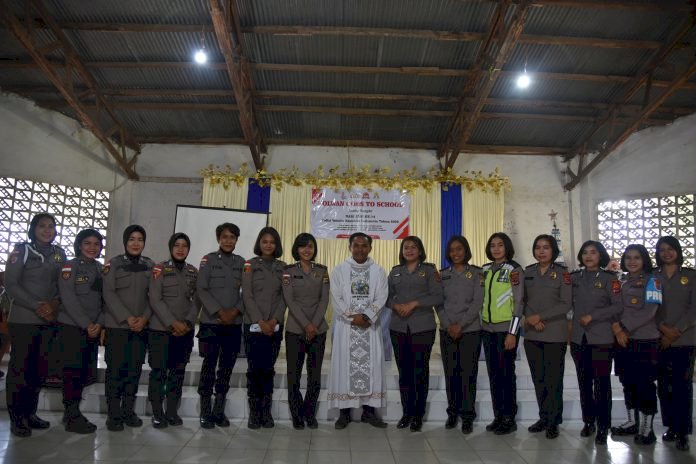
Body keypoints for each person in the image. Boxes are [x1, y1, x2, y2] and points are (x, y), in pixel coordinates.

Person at [4, 213, 66, 437]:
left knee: (38, 370)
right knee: (20, 369)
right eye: (42, 226)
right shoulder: (21, 251)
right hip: (23, 319)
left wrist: (53, 305)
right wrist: (36, 305)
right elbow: (11, 284)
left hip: (48, 320)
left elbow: (63, 285)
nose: (47, 230)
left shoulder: (59, 254)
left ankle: (30, 413)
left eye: (51, 226)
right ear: (33, 229)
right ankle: (16, 417)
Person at [328, 232, 388, 430]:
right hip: (347, 328)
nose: (360, 249)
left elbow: (382, 296)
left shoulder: (378, 271)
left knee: (372, 368)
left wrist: (367, 316)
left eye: (364, 246)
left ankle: (369, 412)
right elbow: (336, 298)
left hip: (370, 329)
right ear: (349, 247)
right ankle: (344, 413)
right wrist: (353, 317)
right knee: (345, 367)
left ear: (370, 248)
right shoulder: (339, 270)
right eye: (356, 245)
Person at [387, 235, 443, 432]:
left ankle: (418, 415)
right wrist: (396, 305)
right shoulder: (395, 272)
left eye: (413, 247)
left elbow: (438, 295)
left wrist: (415, 303)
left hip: (422, 327)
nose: (409, 250)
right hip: (398, 327)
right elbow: (386, 297)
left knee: (420, 371)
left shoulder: (429, 270)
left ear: (420, 251)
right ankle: (407, 412)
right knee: (404, 372)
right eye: (406, 247)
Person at [570, 240, 622, 445]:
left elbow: (617, 306)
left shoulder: (610, 279)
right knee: (584, 383)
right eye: (585, 253)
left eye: (593, 252)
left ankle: (603, 425)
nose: (588, 256)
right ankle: (588, 421)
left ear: (600, 255)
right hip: (578, 338)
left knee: (601, 383)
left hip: (601, 337)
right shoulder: (573, 277)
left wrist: (594, 316)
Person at [102, 224, 154, 431]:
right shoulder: (112, 265)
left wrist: (144, 319)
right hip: (117, 326)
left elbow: (154, 296)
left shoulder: (151, 266)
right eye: (131, 239)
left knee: (134, 370)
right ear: (125, 242)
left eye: (140, 239)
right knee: (115, 371)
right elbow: (108, 294)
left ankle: (128, 411)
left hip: (141, 328)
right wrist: (127, 318)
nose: (135, 243)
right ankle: (113, 414)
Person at [611, 244, 662, 445]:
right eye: (628, 257)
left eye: (637, 258)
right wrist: (617, 329)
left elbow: (650, 311)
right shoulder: (619, 281)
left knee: (645, 384)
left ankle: (647, 428)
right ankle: (632, 422)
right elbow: (613, 307)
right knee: (627, 381)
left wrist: (622, 327)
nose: (632, 262)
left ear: (644, 260)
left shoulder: (653, 281)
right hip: (622, 341)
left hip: (644, 340)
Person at [196, 223, 245, 429]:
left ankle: (219, 410)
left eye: (232, 237)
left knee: (226, 368)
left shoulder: (242, 263)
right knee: (208, 367)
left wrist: (234, 312)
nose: (228, 240)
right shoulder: (207, 260)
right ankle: (205, 410)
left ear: (236, 240)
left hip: (233, 324)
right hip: (211, 323)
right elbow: (201, 289)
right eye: (224, 237)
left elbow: (248, 293)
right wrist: (219, 311)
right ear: (218, 239)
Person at [523, 235, 572, 439]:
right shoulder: (527, 272)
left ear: (553, 251)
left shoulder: (563, 274)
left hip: (554, 333)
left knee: (553, 379)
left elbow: (565, 303)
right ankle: (543, 417)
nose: (541, 251)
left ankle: (554, 420)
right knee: (539, 378)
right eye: (538, 247)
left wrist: (539, 317)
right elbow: (520, 299)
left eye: (546, 247)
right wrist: (530, 318)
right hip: (532, 333)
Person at [148, 233, 198, 428]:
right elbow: (155, 299)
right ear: (170, 247)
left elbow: (197, 300)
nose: (180, 249)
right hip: (161, 330)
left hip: (184, 331)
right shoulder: (159, 269)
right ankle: (157, 412)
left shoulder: (193, 271)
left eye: (185, 246)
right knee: (158, 372)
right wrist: (172, 323)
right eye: (177, 245)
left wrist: (186, 322)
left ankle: (171, 411)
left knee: (178, 372)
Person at [57, 229, 104, 434]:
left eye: (96, 244)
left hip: (92, 329)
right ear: (79, 245)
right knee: (72, 372)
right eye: (87, 243)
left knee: (85, 372)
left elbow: (105, 301)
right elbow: (68, 298)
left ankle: (73, 413)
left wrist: (99, 324)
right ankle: (72, 413)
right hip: (72, 327)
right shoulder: (70, 266)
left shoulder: (102, 269)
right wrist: (87, 324)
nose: (92, 247)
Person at [282, 233, 330, 429]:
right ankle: (296, 414)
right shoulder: (288, 271)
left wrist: (314, 325)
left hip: (318, 330)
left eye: (310, 246)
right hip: (295, 329)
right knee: (293, 374)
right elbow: (289, 300)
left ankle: (309, 413)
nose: (307, 250)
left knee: (314, 374)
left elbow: (324, 300)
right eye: (302, 247)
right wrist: (306, 324)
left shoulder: (323, 271)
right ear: (297, 249)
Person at [436, 235, 483, 434]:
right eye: (452, 250)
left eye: (459, 249)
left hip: (470, 331)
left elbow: (477, 303)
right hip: (447, 331)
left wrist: (460, 325)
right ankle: (452, 412)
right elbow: (438, 302)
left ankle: (467, 416)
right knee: (451, 373)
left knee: (468, 374)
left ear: (466, 251)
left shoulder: (477, 273)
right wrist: (448, 325)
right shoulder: (442, 274)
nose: (456, 253)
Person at [242, 227, 287, 429]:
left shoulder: (283, 267)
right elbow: (247, 295)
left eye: (272, 242)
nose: (268, 245)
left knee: (268, 369)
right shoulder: (249, 265)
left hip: (274, 326)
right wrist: (260, 321)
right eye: (265, 241)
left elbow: (284, 297)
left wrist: (274, 320)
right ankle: (254, 413)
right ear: (259, 244)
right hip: (253, 325)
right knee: (254, 369)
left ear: (276, 245)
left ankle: (266, 412)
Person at [655, 236, 696, 451]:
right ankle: (670, 425)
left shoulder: (690, 276)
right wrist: (663, 328)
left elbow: (694, 308)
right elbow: (650, 308)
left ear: (678, 251)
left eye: (670, 249)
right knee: (664, 386)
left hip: (685, 338)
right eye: (662, 250)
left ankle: (683, 431)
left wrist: (676, 330)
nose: (666, 253)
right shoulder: (653, 277)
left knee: (683, 386)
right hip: (660, 339)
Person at [480, 232, 524, 435]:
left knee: (506, 375)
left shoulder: (514, 270)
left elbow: (519, 303)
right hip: (487, 330)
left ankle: (509, 417)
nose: (496, 249)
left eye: (500, 245)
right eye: (492, 246)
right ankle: (498, 415)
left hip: (505, 331)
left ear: (507, 247)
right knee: (494, 375)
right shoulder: (485, 270)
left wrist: (513, 333)